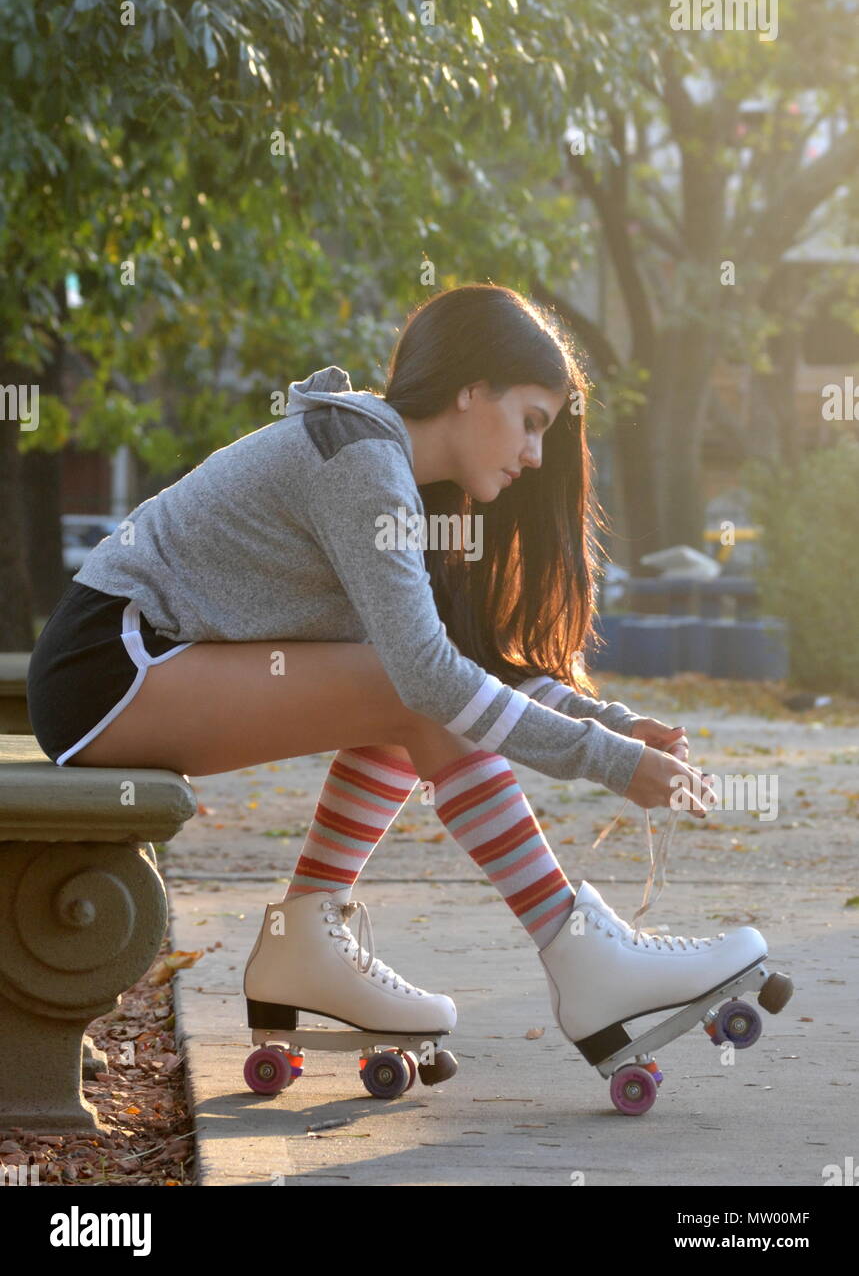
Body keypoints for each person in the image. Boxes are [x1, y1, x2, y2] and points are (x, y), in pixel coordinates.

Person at [27, 283, 766, 1060]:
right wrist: (610, 764)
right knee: (412, 690)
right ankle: (579, 952)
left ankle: (306, 940)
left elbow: (463, 664)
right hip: (109, 672)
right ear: (472, 389)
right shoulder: (362, 459)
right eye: (529, 422)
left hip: (143, 671)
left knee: (408, 689)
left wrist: (608, 723)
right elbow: (431, 679)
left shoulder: (405, 483)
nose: (533, 454)